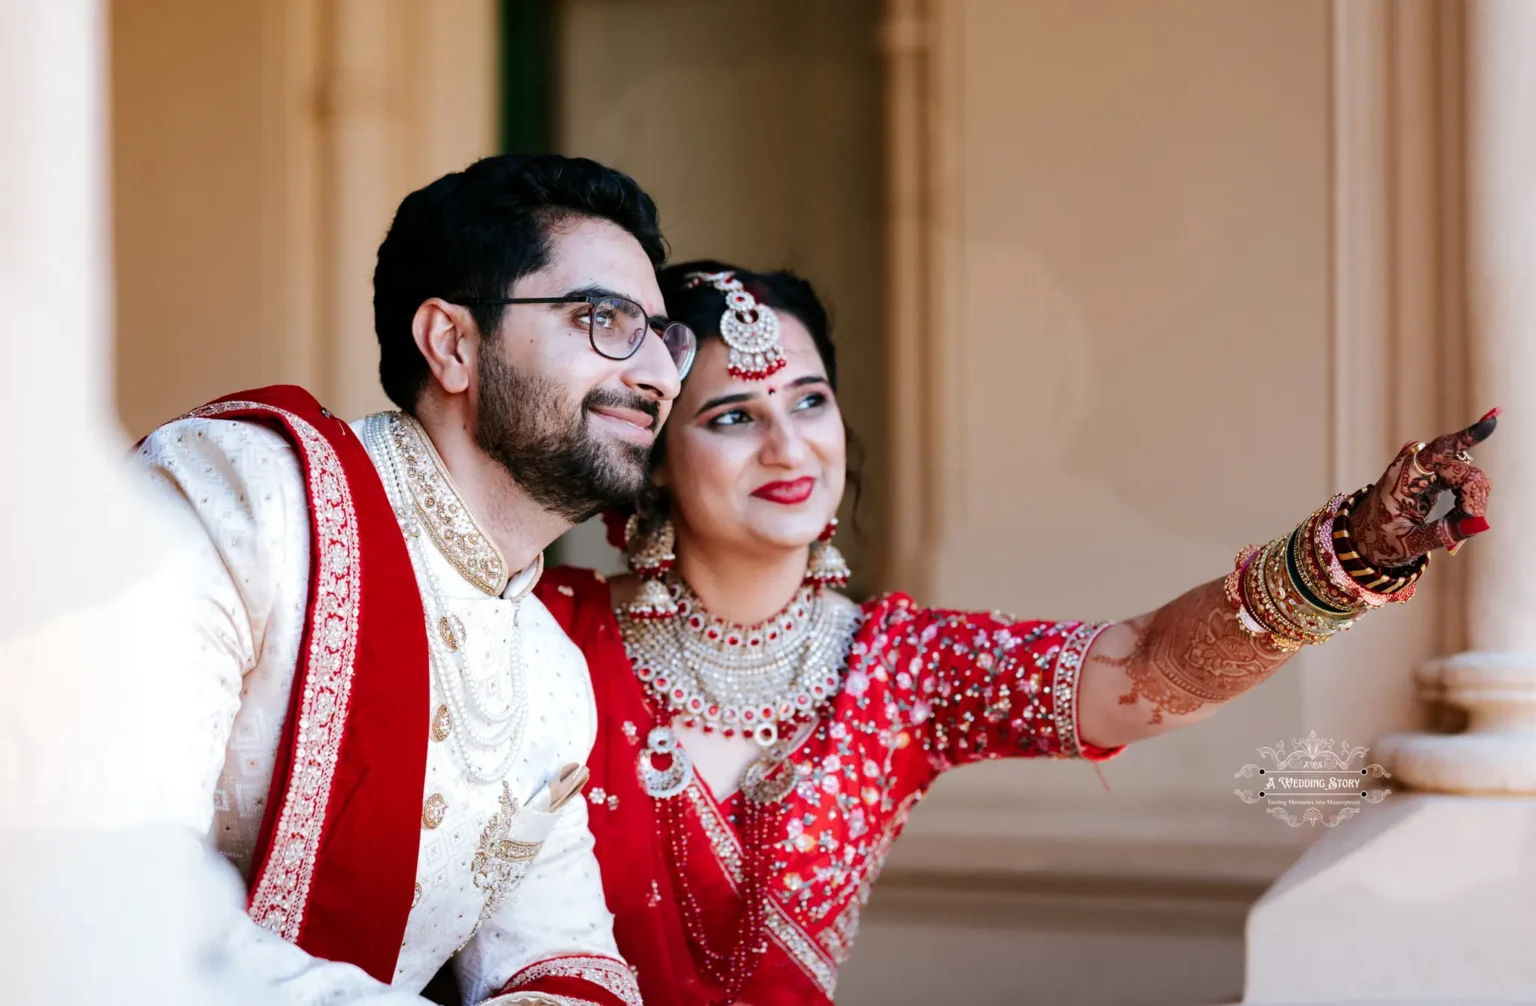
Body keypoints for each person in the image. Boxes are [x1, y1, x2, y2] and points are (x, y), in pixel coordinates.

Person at [534, 259, 1499, 1006]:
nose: (789, 446)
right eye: (734, 414)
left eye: (810, 401)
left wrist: (1354, 552)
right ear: (653, 459)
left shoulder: (897, 667)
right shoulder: (542, 639)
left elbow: (1145, 670)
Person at [133, 153, 697, 1005]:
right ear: (453, 344)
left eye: (663, 337)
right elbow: (118, 881)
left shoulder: (549, 672)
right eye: (607, 319)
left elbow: (559, 954)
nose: (656, 374)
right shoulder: (245, 496)